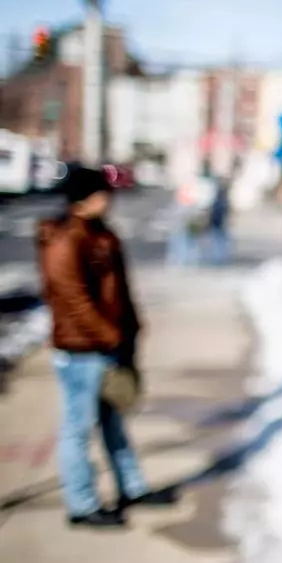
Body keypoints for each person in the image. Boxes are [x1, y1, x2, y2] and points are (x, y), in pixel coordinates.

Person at [36, 167, 177, 528]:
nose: (108, 198)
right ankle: (81, 505)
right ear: (83, 199)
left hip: (107, 345)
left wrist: (130, 329)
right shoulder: (65, 240)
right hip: (81, 350)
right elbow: (72, 299)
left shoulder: (101, 234)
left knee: (114, 422)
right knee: (77, 428)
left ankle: (132, 487)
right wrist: (109, 334)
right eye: (101, 193)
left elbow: (120, 291)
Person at [206, 178, 231, 265]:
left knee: (219, 244)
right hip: (218, 225)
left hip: (219, 225)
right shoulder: (221, 202)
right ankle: (219, 259)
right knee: (219, 244)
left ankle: (219, 259)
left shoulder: (220, 203)